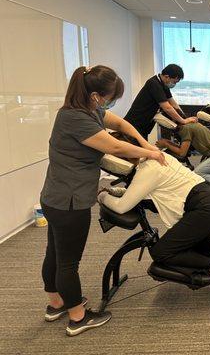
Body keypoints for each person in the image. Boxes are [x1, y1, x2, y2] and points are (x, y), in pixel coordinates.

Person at [40, 65, 167, 336]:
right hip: (69, 202)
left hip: (55, 197)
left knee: (55, 252)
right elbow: (114, 147)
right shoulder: (76, 118)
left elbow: (121, 125)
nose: (111, 103)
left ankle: (56, 304)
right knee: (68, 262)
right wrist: (151, 154)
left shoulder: (88, 110)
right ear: (96, 95)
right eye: (110, 98)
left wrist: (143, 142)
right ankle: (77, 317)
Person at [98, 133, 210, 290]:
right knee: (179, 238)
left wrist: (101, 196)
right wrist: (116, 191)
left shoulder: (147, 170)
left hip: (207, 206)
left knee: (161, 252)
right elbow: (143, 190)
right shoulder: (158, 156)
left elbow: (121, 207)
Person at [155, 122, 210, 201]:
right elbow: (184, 148)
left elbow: (182, 153)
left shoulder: (185, 129)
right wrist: (168, 143)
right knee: (203, 168)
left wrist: (166, 144)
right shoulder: (189, 125)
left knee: (198, 173)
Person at [124, 64, 197, 139]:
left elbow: (173, 103)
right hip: (134, 124)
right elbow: (167, 108)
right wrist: (183, 121)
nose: (174, 84)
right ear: (167, 76)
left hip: (145, 125)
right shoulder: (154, 83)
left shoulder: (164, 85)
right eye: (174, 82)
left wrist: (184, 117)